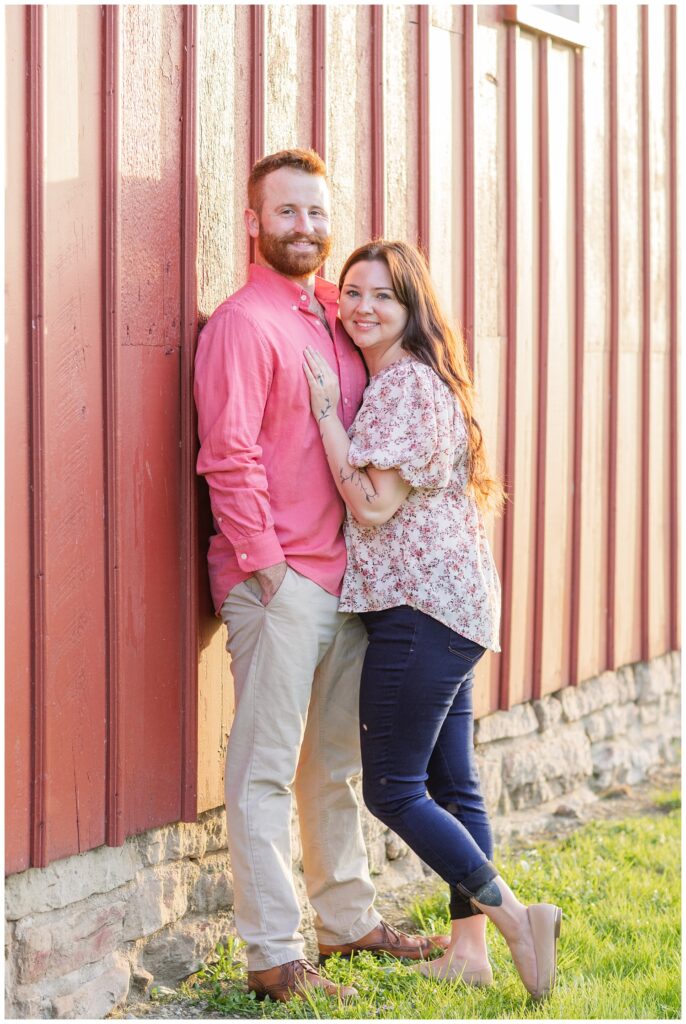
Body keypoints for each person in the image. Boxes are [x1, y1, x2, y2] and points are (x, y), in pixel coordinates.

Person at [194, 152, 447, 1004]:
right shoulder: (242, 324)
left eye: (316, 212)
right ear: (255, 223)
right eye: (287, 212)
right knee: (264, 769)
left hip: (345, 580)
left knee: (331, 766)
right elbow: (227, 459)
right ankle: (273, 955)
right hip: (281, 584)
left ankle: (346, 924)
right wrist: (266, 571)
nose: (305, 227)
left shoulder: (334, 317)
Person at [303, 239, 562, 1000]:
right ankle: (472, 955)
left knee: (393, 788)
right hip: (452, 607)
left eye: (382, 295)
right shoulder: (416, 381)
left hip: (420, 608)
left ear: (413, 306)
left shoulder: (403, 387)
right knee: (454, 783)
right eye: (350, 293)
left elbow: (375, 504)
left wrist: (324, 414)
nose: (361, 308)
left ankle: (516, 918)